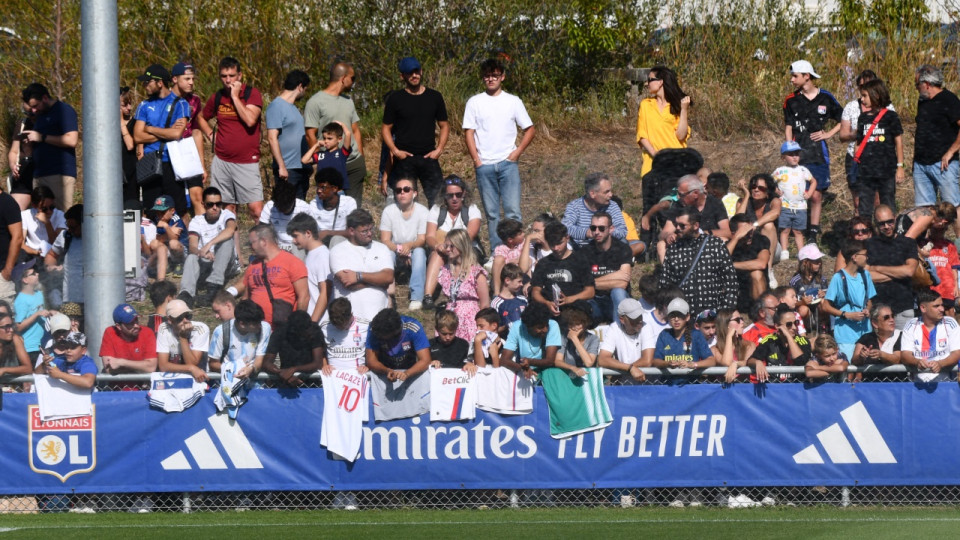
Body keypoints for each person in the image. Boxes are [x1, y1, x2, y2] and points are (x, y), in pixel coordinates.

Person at [463, 58, 536, 249]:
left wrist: (517, 153)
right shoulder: (474, 102)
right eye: (487, 76)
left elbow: (530, 129)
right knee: (492, 213)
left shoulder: (513, 101)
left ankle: (519, 250)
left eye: (495, 75)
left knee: (512, 212)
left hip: (508, 164)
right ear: (482, 78)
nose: (491, 79)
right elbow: (468, 132)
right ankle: (498, 252)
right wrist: (477, 160)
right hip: (484, 166)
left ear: (502, 77)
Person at [783, 60, 843, 243]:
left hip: (818, 152)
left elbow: (843, 119)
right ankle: (794, 232)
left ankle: (813, 235)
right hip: (799, 152)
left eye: (795, 76)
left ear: (806, 76)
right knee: (798, 192)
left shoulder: (826, 97)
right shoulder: (791, 100)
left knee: (816, 194)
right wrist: (789, 150)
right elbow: (788, 127)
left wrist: (828, 134)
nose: (792, 80)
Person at [201, 57, 265, 220]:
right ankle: (232, 245)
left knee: (256, 210)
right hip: (222, 161)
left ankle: (263, 244)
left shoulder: (251, 94)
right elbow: (200, 118)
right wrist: (211, 134)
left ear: (240, 75)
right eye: (224, 76)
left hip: (246, 161)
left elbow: (250, 120)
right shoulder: (217, 97)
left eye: (231, 75)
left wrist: (235, 97)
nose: (228, 80)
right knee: (227, 210)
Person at [381, 57, 449, 207]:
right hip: (404, 159)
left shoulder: (434, 97)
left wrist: (439, 149)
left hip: (429, 157)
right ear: (402, 76)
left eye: (416, 71)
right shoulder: (395, 99)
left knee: (439, 201)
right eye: (409, 73)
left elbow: (444, 125)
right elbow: (386, 128)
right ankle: (411, 231)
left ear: (421, 71)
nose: (414, 75)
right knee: (406, 203)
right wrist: (395, 150)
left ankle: (436, 230)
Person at [132, 64, 192, 217]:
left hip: (172, 163)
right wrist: (167, 132)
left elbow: (177, 134)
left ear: (160, 83)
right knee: (151, 209)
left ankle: (180, 239)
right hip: (150, 163)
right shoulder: (144, 105)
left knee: (178, 209)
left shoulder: (180, 104)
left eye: (148, 82)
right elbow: (138, 136)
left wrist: (150, 129)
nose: (145, 85)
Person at [304, 62, 366, 205]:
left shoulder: (348, 101)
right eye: (353, 78)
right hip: (331, 167)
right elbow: (310, 134)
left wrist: (361, 159)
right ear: (343, 78)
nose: (354, 82)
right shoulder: (315, 102)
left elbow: (355, 130)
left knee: (354, 210)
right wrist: (322, 160)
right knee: (331, 208)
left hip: (354, 165)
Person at [658, 207, 737, 314]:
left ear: (695, 226)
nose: (677, 228)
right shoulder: (673, 249)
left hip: (712, 315)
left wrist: (726, 310)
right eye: (676, 224)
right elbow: (665, 283)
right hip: (683, 315)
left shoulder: (715, 245)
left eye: (682, 225)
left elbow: (730, 280)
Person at [423, 176, 483, 308]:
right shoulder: (436, 209)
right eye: (450, 195)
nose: (454, 198)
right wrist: (438, 246)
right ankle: (427, 296)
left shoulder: (472, 209)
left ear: (464, 194)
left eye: (458, 194)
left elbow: (469, 236)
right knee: (436, 254)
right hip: (444, 249)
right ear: (444, 196)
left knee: (453, 254)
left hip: (467, 249)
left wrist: (450, 247)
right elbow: (430, 237)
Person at [912, 64, 960, 226]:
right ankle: (929, 244)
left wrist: (951, 152)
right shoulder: (923, 101)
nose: (916, 88)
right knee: (924, 209)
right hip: (921, 164)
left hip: (943, 164)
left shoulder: (949, 100)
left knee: (952, 207)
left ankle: (959, 244)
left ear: (926, 84)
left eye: (917, 85)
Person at [20, 83, 79, 210]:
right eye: (31, 107)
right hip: (39, 175)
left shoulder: (64, 110)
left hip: (59, 175)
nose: (34, 110)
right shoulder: (40, 116)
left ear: (45, 98)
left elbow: (72, 140)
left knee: (60, 217)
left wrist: (43, 137)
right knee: (40, 218)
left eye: (36, 106)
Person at [208, 300, 271, 418]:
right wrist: (234, 369)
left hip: (254, 388)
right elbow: (213, 364)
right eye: (256, 323)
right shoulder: (221, 332)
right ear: (242, 323)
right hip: (227, 389)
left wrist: (251, 369)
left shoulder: (265, 328)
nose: (259, 326)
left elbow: (259, 360)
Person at [329, 209, 394, 322]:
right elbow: (348, 283)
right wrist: (379, 282)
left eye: (371, 229)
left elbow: (388, 278)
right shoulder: (338, 251)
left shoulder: (382, 249)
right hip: (351, 321)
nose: (369, 233)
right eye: (364, 231)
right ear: (351, 231)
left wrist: (359, 276)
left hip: (379, 319)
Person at [838, 69, 888, 213]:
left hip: (877, 157)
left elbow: (894, 134)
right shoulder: (851, 107)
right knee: (858, 201)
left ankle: (879, 231)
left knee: (877, 200)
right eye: (861, 87)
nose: (863, 90)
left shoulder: (887, 107)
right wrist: (858, 133)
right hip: (856, 157)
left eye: (868, 86)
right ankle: (861, 232)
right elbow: (842, 135)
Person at [853, 79, 905, 217]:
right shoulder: (862, 118)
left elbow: (898, 142)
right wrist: (856, 160)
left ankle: (888, 234)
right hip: (866, 171)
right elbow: (859, 141)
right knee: (864, 206)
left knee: (888, 203)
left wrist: (900, 166)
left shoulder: (890, 116)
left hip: (886, 169)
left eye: (864, 95)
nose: (862, 99)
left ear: (876, 95)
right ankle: (866, 235)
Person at [179, 187, 237, 308]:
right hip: (206, 263)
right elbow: (192, 246)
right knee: (191, 257)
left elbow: (231, 230)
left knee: (227, 241)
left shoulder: (227, 214)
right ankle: (186, 294)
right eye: (210, 204)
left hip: (225, 264)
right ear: (203, 205)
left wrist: (209, 244)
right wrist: (201, 252)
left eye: (218, 204)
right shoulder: (197, 221)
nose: (215, 208)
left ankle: (214, 288)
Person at [243, 223, 309, 326]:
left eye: (253, 242)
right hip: (255, 329)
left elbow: (304, 296)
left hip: (283, 329)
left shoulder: (292, 262)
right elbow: (246, 297)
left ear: (263, 241)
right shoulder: (252, 266)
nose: (251, 247)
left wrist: (298, 324)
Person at [379, 176, 428, 310]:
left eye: (406, 189)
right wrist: (399, 249)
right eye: (398, 190)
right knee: (387, 253)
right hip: (395, 249)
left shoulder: (423, 211)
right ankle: (387, 293)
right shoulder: (389, 211)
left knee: (419, 252)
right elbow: (385, 240)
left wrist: (408, 247)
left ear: (414, 193)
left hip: (413, 249)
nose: (402, 193)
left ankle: (416, 296)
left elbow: (422, 239)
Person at [866, 205, 919, 329]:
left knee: (905, 346)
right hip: (878, 309)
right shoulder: (870, 245)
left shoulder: (908, 243)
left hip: (903, 306)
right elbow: (866, 275)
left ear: (895, 219)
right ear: (876, 224)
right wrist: (898, 273)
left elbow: (909, 271)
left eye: (890, 222)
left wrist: (877, 268)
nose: (886, 227)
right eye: (882, 223)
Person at [170, 62, 211, 216]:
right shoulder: (165, 99)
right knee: (177, 200)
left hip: (189, 150)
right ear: (175, 79)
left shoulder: (195, 100)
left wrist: (202, 165)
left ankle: (202, 235)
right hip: (172, 150)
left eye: (192, 79)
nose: (191, 82)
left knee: (198, 196)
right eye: (187, 79)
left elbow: (196, 132)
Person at [657, 175, 732, 260]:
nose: (678, 197)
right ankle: (669, 272)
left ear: (695, 194)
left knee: (724, 240)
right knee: (661, 244)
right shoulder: (678, 205)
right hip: (684, 244)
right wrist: (668, 235)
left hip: (709, 245)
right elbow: (663, 233)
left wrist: (701, 234)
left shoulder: (715, 203)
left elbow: (727, 232)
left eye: (681, 194)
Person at [822, 240, 875, 362]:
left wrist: (868, 309)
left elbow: (870, 299)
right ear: (854, 257)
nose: (867, 257)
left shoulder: (866, 275)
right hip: (846, 334)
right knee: (849, 367)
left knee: (865, 369)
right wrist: (847, 315)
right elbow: (826, 306)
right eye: (865, 255)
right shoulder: (838, 278)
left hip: (865, 331)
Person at [635, 66, 691, 177]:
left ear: (660, 82)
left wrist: (684, 109)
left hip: (676, 165)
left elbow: (680, 136)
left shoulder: (676, 106)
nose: (647, 84)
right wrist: (656, 156)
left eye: (650, 80)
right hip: (652, 167)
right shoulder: (646, 105)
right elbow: (642, 135)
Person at [530, 221, 595, 317]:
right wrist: (546, 303)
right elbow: (535, 291)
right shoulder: (543, 263)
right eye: (552, 244)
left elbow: (590, 291)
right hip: (550, 308)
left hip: (574, 307)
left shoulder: (580, 260)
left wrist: (569, 299)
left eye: (559, 243)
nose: (556, 248)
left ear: (567, 238)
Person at [436, 229, 491, 342]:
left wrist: (481, 326)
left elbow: (485, 304)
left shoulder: (476, 272)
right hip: (450, 319)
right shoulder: (445, 270)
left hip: (469, 319)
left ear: (461, 246)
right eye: (446, 246)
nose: (447, 249)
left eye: (452, 246)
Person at [266, 70, 311, 199]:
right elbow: (272, 137)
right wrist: (281, 166)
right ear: (300, 86)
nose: (304, 93)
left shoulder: (293, 108)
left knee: (299, 211)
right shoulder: (276, 106)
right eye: (305, 89)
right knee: (285, 209)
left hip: (300, 168)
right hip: (287, 169)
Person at [901, 289, 960, 383]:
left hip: (945, 382)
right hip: (917, 383)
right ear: (923, 308)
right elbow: (905, 354)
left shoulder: (950, 323)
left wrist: (940, 364)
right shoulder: (911, 325)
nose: (942, 309)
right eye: (936, 306)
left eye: (942, 305)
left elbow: (957, 353)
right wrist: (917, 362)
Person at [584, 212, 633, 324]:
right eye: (593, 228)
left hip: (615, 301)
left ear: (611, 229)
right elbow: (582, 284)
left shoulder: (623, 249)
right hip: (594, 300)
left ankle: (620, 331)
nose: (597, 232)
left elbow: (623, 283)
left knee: (618, 292)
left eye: (601, 228)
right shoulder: (585, 252)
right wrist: (615, 276)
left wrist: (591, 282)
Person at [735, 173, 781, 285]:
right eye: (753, 187)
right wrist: (746, 195)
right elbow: (738, 219)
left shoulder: (774, 201)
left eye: (761, 188)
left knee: (768, 225)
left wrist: (755, 225)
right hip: (749, 246)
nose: (756, 190)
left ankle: (769, 270)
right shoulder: (743, 202)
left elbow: (775, 213)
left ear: (768, 191)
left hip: (771, 248)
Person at [772, 141, 815, 258]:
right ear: (783, 157)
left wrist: (810, 193)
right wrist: (776, 191)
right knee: (785, 230)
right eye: (791, 154)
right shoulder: (779, 171)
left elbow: (813, 181)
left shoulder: (803, 170)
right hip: (785, 205)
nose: (795, 157)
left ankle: (801, 251)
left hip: (801, 206)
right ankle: (784, 251)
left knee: (798, 231)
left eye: (797, 154)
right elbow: (770, 182)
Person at [748, 305, 812, 383]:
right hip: (774, 389)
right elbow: (750, 360)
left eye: (796, 323)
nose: (794, 327)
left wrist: (788, 336)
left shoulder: (803, 341)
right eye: (789, 324)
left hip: (797, 389)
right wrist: (757, 362)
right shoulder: (770, 340)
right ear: (777, 326)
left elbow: (801, 361)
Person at [364, 308, 431, 382]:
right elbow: (371, 361)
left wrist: (407, 373)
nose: (380, 338)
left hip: (410, 373)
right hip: (383, 373)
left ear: (396, 332)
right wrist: (387, 370)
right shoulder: (374, 329)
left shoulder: (413, 327)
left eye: (384, 338)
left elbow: (425, 361)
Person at [498, 301, 561, 378]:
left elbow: (550, 361)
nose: (545, 329)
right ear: (528, 326)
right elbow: (504, 360)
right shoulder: (517, 327)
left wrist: (529, 361)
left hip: (547, 374)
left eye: (546, 325)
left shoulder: (553, 325)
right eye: (540, 327)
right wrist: (523, 369)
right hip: (525, 376)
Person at [287, 213, 331, 322]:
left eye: (295, 236)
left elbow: (325, 291)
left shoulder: (322, 255)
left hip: (320, 323)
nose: (293, 240)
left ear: (308, 233)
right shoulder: (311, 254)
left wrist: (313, 322)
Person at [561, 173, 628, 246]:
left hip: (605, 249)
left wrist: (605, 232)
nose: (611, 195)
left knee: (623, 242)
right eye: (606, 192)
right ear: (592, 194)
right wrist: (587, 233)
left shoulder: (612, 206)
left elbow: (623, 231)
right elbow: (565, 228)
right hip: (580, 249)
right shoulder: (574, 206)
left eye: (610, 191)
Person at [258, 177, 319, 255]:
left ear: (293, 200)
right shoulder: (270, 207)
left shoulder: (304, 208)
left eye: (285, 207)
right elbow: (261, 231)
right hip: (277, 248)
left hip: (299, 248)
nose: (282, 210)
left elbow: (314, 234)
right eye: (279, 206)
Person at [263, 310, 325, 386]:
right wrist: (283, 373)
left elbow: (318, 364)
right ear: (296, 331)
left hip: (312, 381)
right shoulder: (280, 332)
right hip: (285, 380)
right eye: (305, 330)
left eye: (309, 327)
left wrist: (294, 369)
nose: (309, 331)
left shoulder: (315, 330)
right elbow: (266, 363)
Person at [652, 298, 716, 369]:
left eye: (680, 315)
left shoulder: (696, 335)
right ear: (668, 317)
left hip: (691, 379)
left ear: (687, 317)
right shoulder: (664, 334)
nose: (676, 319)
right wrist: (667, 363)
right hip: (668, 379)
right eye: (672, 316)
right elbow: (655, 361)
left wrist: (692, 364)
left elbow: (711, 360)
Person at [155, 299, 209, 382]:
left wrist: (183, 337)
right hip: (172, 379)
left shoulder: (201, 329)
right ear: (170, 320)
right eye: (179, 318)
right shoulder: (163, 329)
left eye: (187, 316)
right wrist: (191, 368)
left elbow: (193, 363)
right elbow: (163, 366)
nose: (185, 320)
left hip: (197, 380)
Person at [596, 298, 649, 382]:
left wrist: (626, 369)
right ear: (622, 319)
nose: (640, 320)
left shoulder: (646, 326)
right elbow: (602, 359)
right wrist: (630, 368)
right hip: (622, 383)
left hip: (645, 382)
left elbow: (647, 361)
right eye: (634, 318)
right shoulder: (614, 328)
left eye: (640, 316)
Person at [727, 214, 771, 311]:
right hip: (739, 294)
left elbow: (761, 264)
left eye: (750, 230)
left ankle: (764, 311)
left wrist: (731, 265)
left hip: (758, 288)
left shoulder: (761, 240)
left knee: (756, 273)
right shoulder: (729, 245)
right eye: (745, 232)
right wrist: (736, 238)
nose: (749, 235)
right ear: (734, 233)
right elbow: (721, 261)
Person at [100, 303, 158, 374]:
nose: (136, 325)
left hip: (142, 384)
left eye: (136, 320)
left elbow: (151, 367)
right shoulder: (110, 332)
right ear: (118, 326)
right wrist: (141, 367)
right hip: (118, 384)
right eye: (130, 323)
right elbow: (110, 369)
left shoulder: (147, 333)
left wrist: (121, 362)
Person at [921, 208, 960, 314]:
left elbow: (954, 267)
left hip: (947, 287)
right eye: (936, 229)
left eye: (942, 229)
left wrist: (956, 286)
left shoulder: (950, 245)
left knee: (949, 314)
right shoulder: (923, 244)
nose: (939, 231)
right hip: (931, 287)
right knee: (931, 315)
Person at [141, 195, 187, 281]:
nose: (159, 215)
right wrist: (170, 231)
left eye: (162, 212)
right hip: (167, 247)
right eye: (157, 212)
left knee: (173, 243)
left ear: (172, 210)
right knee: (154, 243)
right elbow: (158, 239)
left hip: (181, 249)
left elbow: (174, 239)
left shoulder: (176, 219)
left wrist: (166, 227)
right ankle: (167, 263)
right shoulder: (156, 219)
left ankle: (179, 263)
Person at [852, 303, 902, 380]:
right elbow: (854, 360)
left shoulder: (900, 336)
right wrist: (861, 357)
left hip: (896, 385)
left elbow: (897, 359)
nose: (892, 320)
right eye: (886, 317)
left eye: (892, 316)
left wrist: (881, 354)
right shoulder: (866, 338)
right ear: (875, 323)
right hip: (870, 386)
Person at [44, 204, 81, 305]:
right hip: (70, 299)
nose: (70, 230)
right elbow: (51, 255)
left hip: (94, 298)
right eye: (68, 226)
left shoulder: (99, 239)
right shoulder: (65, 236)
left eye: (73, 227)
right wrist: (51, 267)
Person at [319, 298, 369, 373]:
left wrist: (367, 366)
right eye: (336, 325)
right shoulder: (324, 327)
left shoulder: (365, 326)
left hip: (358, 377)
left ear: (351, 315)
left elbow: (373, 352)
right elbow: (320, 351)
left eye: (343, 325)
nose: (340, 328)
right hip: (332, 377)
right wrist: (325, 365)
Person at [302, 121, 352, 195]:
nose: (326, 141)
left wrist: (342, 124)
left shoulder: (342, 153)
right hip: (322, 192)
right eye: (324, 138)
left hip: (338, 192)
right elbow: (304, 160)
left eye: (329, 138)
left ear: (339, 139)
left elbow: (348, 134)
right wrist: (316, 145)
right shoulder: (321, 155)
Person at [310, 168, 357, 244]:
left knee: (335, 240)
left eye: (323, 188)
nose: (318, 191)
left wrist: (328, 233)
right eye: (318, 187)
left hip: (341, 243)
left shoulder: (348, 203)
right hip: (320, 244)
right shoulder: (314, 204)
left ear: (334, 188)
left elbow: (352, 232)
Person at [13, 260, 48, 358]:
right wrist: (37, 314)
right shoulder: (21, 300)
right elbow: (18, 326)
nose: (37, 274)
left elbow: (42, 313)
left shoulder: (39, 294)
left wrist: (50, 313)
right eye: (33, 273)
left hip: (43, 344)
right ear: (25, 280)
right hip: (30, 348)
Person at [791, 244, 828, 328]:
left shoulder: (821, 278)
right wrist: (803, 302)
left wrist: (824, 294)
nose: (819, 263)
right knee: (803, 310)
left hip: (818, 308)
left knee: (824, 303)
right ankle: (804, 329)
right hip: (804, 309)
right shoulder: (796, 280)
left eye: (819, 260)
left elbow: (828, 294)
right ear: (805, 262)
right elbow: (792, 303)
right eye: (815, 261)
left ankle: (823, 327)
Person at [119, 86, 141, 210]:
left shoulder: (134, 122)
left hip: (130, 173)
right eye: (124, 105)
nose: (129, 108)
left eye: (130, 104)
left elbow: (130, 145)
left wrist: (121, 121)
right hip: (115, 172)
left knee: (130, 208)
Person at [490, 218, 526, 295]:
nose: (524, 234)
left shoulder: (523, 243)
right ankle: (497, 293)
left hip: (521, 276)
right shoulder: (501, 249)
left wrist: (518, 260)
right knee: (498, 259)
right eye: (520, 234)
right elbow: (500, 266)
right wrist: (511, 262)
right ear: (510, 240)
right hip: (507, 278)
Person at [713, 308, 747, 383]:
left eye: (741, 319)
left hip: (743, 390)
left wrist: (736, 364)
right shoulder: (715, 349)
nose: (742, 322)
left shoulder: (748, 345)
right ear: (725, 324)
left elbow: (747, 362)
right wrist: (729, 337)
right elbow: (727, 363)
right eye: (737, 320)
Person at [0, 191, 23, 305]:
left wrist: (7, 271)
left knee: (4, 320)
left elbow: (18, 237)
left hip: (1, 275)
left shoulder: (6, 202)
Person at [0, 311, 33, 383]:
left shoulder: (15, 339)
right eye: (7, 327)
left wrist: (4, 370)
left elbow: (28, 368)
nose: (11, 330)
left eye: (11, 326)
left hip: (12, 387)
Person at [491, 263, 527, 328]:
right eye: (519, 281)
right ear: (507, 280)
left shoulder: (523, 299)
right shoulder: (496, 303)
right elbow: (494, 328)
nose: (522, 284)